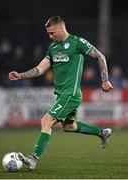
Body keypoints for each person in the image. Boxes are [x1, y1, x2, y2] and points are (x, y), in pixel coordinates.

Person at [8, 16, 113, 170]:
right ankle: (102, 133)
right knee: (69, 127)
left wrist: (105, 80)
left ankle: (33, 158)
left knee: (46, 121)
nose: (50, 36)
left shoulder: (77, 43)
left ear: (60, 28)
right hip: (62, 94)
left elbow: (100, 56)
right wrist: (21, 75)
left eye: (52, 33)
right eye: (48, 34)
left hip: (70, 94)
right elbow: (40, 69)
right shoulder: (53, 48)